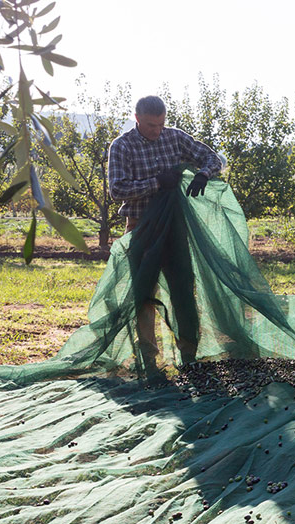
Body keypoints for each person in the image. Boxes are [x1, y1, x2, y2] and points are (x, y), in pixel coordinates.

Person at [108, 95, 222, 376]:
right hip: (140, 227)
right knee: (144, 294)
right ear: (137, 119)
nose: (156, 131)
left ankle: (189, 354)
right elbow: (117, 189)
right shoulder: (122, 146)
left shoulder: (175, 138)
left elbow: (212, 157)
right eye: (150, 125)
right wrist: (156, 183)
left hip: (174, 227)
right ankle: (148, 359)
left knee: (183, 287)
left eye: (160, 124)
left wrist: (204, 174)